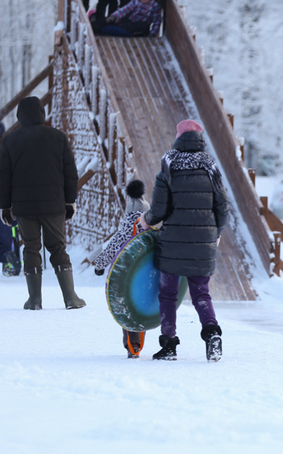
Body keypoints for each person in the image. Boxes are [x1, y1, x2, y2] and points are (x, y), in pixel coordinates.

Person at [139, 119, 229, 361]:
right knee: (201, 293)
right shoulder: (211, 167)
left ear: (178, 138)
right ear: (200, 140)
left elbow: (159, 209)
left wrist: (146, 220)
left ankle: (169, 344)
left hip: (172, 244)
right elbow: (222, 206)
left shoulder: (168, 165)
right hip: (203, 243)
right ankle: (212, 334)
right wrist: (216, 233)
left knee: (168, 294)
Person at [0, 96, 86, 310]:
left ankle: (35, 300)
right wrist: (70, 201)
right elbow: (70, 173)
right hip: (53, 205)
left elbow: (4, 177)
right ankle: (70, 298)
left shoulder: (10, 140)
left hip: (24, 207)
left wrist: (5, 206)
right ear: (41, 113)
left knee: (31, 248)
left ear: (20, 116)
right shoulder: (58, 137)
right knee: (57, 247)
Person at [93, 179, 150, 358]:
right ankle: (138, 342)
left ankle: (132, 345)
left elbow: (112, 248)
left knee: (127, 309)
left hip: (125, 277)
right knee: (142, 307)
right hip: (147, 276)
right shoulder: (151, 228)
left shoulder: (126, 228)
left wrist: (99, 265)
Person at [0, 178, 20, 282]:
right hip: (7, 234)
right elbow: (14, 221)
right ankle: (8, 256)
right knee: (3, 251)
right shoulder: (6, 205)